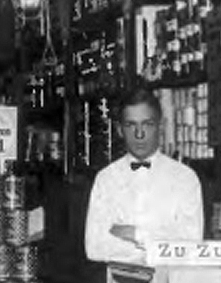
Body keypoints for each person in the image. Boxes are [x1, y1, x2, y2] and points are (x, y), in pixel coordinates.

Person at [83, 85, 206, 265]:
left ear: (161, 127)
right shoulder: (106, 179)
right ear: (119, 130)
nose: (139, 134)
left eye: (147, 124)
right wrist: (161, 244)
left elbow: (191, 247)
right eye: (131, 125)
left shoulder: (185, 179)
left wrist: (136, 234)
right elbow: (94, 248)